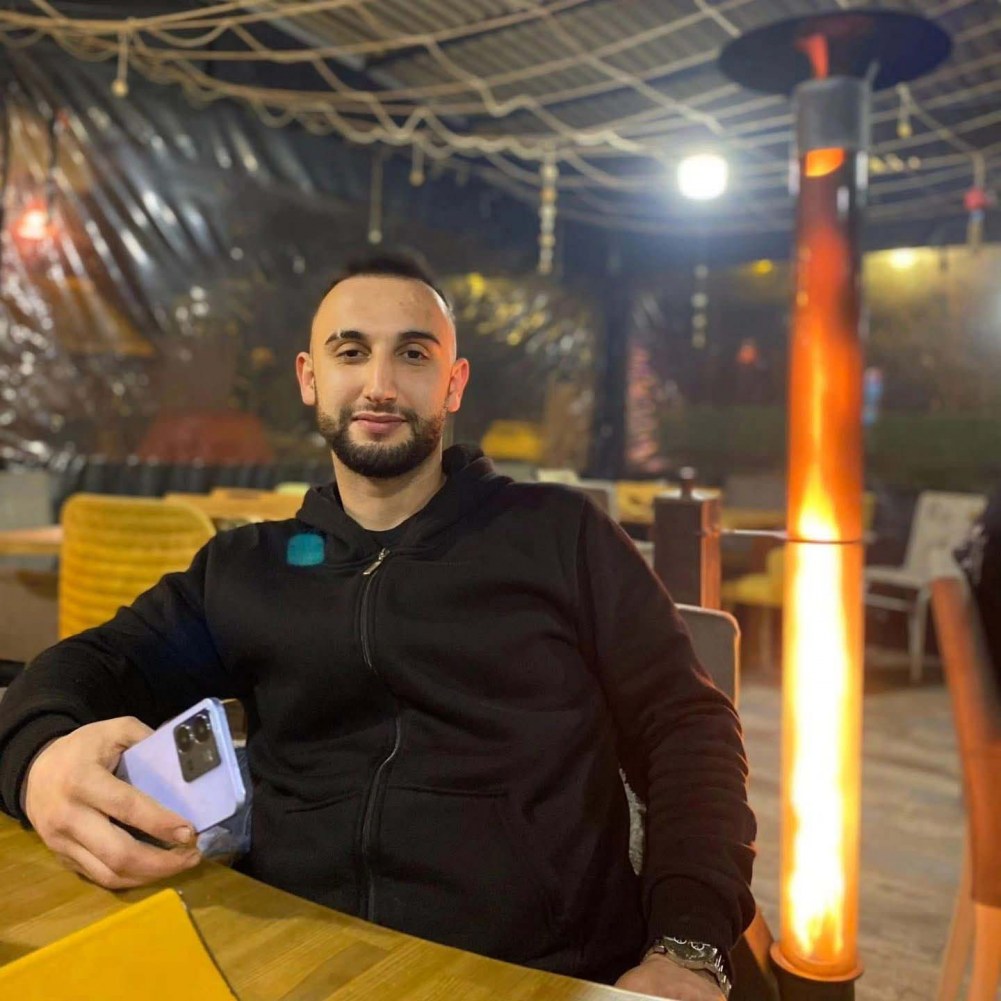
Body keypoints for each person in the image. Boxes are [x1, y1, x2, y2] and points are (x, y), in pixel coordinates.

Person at [0, 253, 755, 1001]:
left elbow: (686, 727)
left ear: (453, 383)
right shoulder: (247, 567)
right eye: (351, 351)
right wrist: (36, 764)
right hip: (297, 955)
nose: (381, 385)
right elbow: (97, 663)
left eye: (414, 354)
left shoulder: (560, 535)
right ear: (309, 378)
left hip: (536, 970)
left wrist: (688, 949)